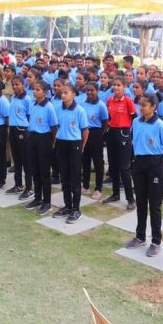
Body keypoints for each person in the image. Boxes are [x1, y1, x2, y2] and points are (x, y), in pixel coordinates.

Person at [125, 93, 163, 257]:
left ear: (153, 107)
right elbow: (134, 142)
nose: (141, 107)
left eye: (145, 105)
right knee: (141, 202)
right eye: (140, 105)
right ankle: (140, 236)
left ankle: (156, 241)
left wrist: (160, 166)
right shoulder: (136, 122)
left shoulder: (160, 125)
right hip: (139, 164)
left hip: (155, 165)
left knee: (155, 206)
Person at [51, 83, 89, 224]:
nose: (63, 95)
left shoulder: (79, 110)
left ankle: (76, 209)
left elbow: (85, 131)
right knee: (64, 177)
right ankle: (67, 206)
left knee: (74, 178)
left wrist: (82, 146)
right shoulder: (57, 109)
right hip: (61, 143)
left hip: (74, 145)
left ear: (73, 94)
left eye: (66, 92)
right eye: (61, 93)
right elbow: (56, 127)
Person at [25, 80, 58, 215]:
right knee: (35, 170)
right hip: (32, 137)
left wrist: (53, 143)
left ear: (45, 92)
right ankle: (37, 198)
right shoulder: (33, 104)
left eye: (38, 90)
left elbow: (54, 126)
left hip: (44, 139)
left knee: (44, 172)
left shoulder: (49, 107)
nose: (34, 91)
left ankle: (47, 202)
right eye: (34, 89)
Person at [103, 77, 136, 209]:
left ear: (124, 87)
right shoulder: (109, 100)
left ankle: (130, 199)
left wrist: (127, 132)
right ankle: (115, 193)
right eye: (114, 85)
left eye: (119, 85)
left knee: (124, 168)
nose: (116, 87)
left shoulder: (128, 101)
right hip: (111, 133)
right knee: (113, 166)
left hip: (123, 134)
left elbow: (134, 117)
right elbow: (109, 117)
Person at [80, 83, 108, 200]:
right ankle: (85, 186)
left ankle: (98, 188)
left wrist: (98, 135)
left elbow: (105, 123)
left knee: (98, 162)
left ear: (97, 91)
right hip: (84, 133)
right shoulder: (83, 103)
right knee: (85, 160)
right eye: (88, 90)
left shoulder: (101, 105)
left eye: (92, 90)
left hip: (96, 134)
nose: (90, 93)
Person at [7, 76, 33, 197]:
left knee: (26, 160)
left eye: (17, 84)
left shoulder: (27, 99)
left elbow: (29, 116)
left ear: (23, 85)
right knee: (16, 159)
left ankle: (29, 188)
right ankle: (18, 185)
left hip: (22, 130)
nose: (15, 87)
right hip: (12, 129)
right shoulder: (13, 97)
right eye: (13, 85)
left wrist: (25, 129)